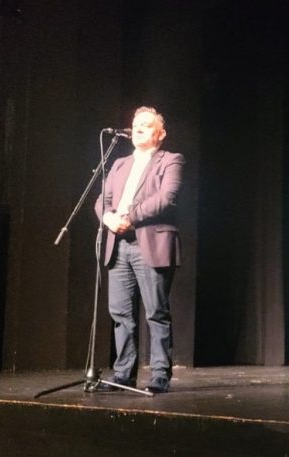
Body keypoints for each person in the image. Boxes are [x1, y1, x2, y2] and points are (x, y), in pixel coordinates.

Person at [94, 106, 184, 393]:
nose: (138, 128)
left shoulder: (170, 160)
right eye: (136, 124)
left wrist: (128, 217)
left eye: (146, 124)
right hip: (118, 244)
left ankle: (159, 374)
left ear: (161, 133)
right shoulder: (119, 164)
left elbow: (166, 198)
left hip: (151, 243)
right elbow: (103, 199)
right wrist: (108, 218)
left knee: (156, 312)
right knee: (120, 313)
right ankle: (123, 374)